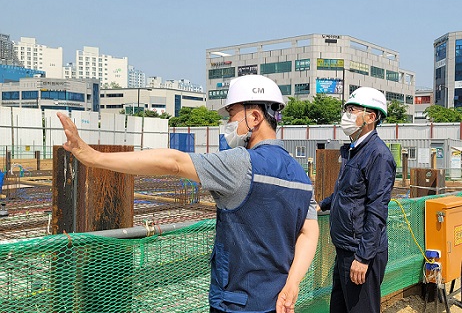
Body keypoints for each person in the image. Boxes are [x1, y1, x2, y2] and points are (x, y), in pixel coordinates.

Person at [57, 74, 319, 313]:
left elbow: (175, 163)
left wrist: (92, 156)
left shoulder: (241, 163)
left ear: (254, 117)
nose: (228, 123)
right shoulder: (300, 175)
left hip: (236, 303)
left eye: (231, 114)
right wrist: (293, 284)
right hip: (277, 301)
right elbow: (309, 232)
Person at [318, 87, 396, 313]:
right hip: (344, 248)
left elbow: (377, 211)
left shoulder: (378, 155)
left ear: (371, 117)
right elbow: (346, 193)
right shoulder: (353, 150)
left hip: (360, 254)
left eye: (352, 110)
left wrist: (362, 258)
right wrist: (321, 205)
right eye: (347, 110)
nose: (347, 115)